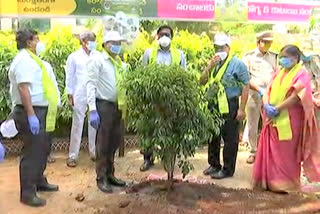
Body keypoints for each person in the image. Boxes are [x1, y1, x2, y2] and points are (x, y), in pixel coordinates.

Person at [253, 45, 320, 193]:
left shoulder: (302, 74)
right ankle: (270, 183)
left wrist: (278, 108)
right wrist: (266, 105)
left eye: (285, 57)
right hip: (272, 119)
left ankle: (286, 185)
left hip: (290, 120)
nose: (282, 60)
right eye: (281, 57)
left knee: (287, 154)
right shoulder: (278, 72)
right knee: (272, 151)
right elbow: (267, 90)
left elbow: (297, 96)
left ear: (295, 59)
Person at [9, 29, 61, 207]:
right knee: (32, 152)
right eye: (37, 38)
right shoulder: (23, 60)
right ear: (29, 42)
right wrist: (31, 115)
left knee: (43, 149)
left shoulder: (33, 60)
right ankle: (28, 192)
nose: (39, 41)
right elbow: (24, 89)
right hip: (30, 111)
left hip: (41, 111)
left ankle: (39, 180)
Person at [200, 33, 249, 179]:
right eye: (217, 47)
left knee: (230, 138)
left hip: (230, 103)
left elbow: (246, 85)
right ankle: (214, 164)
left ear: (228, 47)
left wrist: (242, 108)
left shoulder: (237, 64)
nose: (219, 49)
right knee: (213, 136)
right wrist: (209, 66)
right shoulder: (214, 63)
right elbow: (202, 81)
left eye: (222, 47)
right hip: (214, 103)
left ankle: (228, 169)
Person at [140, 25, 187, 171]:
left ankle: (168, 158)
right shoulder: (149, 53)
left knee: (170, 128)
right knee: (149, 128)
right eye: (162, 34)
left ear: (171, 37)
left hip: (172, 98)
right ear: (157, 37)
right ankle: (148, 159)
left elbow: (183, 76)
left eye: (167, 34)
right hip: (153, 97)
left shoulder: (180, 54)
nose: (164, 37)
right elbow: (142, 74)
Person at [87, 31, 127, 193]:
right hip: (103, 106)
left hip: (118, 106)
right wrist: (92, 109)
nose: (117, 45)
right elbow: (90, 84)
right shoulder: (98, 60)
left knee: (114, 142)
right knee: (103, 144)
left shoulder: (119, 63)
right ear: (105, 44)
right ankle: (101, 177)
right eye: (113, 42)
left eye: (119, 42)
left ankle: (110, 175)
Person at [242, 31, 277, 164]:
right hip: (254, 95)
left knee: (270, 124)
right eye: (266, 42)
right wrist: (259, 89)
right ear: (258, 42)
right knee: (252, 124)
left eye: (270, 42)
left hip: (270, 96)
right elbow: (245, 78)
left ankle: (269, 152)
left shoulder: (274, 57)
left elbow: (277, 74)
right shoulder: (249, 57)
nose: (268, 44)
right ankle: (253, 152)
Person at [65, 31, 98, 167]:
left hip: (94, 93)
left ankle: (94, 152)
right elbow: (69, 76)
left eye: (94, 40)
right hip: (79, 93)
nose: (92, 43)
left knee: (94, 123)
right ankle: (73, 155)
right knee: (77, 124)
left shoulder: (98, 56)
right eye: (90, 40)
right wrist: (69, 94)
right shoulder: (74, 57)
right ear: (83, 41)